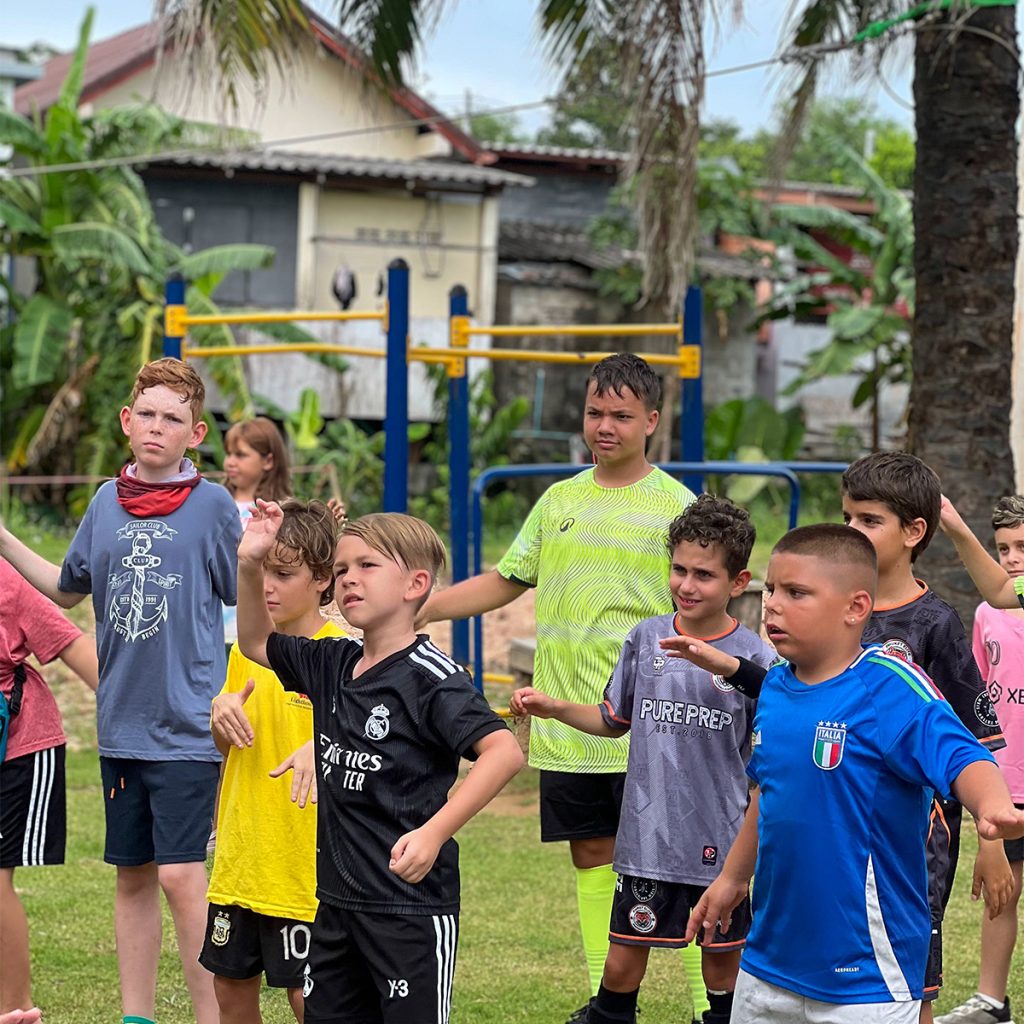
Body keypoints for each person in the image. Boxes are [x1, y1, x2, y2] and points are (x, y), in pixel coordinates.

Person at [416, 352, 697, 1021]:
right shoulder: (559, 500)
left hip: (650, 725)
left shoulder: (679, 507)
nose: (605, 426)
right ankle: (610, 1005)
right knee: (592, 853)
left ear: (651, 421)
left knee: (679, 868)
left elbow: (700, 605)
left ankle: (710, 1007)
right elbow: (507, 579)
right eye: (595, 412)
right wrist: (426, 606)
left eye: (621, 415)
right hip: (569, 728)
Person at [683, 524, 1024, 1024]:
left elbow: (964, 755)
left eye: (797, 592)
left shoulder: (889, 684)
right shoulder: (776, 686)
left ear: (855, 608)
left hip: (867, 977)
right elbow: (768, 793)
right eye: (773, 589)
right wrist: (733, 878)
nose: (773, 604)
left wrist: (994, 807)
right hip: (767, 964)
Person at [0, 357, 243, 1024]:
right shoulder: (106, 503)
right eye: (149, 415)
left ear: (195, 435)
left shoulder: (214, 507)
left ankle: (211, 1017)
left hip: (190, 726)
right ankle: (136, 1017)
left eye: (175, 419)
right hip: (121, 728)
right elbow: (67, 586)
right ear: (126, 422)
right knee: (132, 877)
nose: (158, 428)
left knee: (181, 876)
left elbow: (251, 605)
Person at [236, 505, 524, 1024]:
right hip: (335, 908)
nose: (349, 579)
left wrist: (433, 834)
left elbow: (503, 752)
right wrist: (249, 565)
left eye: (366, 566)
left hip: (409, 912)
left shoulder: (432, 677)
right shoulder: (333, 662)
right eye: (341, 570)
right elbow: (257, 642)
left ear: (416, 584)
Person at [511, 495, 776, 1024]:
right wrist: (553, 707)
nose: (686, 584)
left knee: (723, 969)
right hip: (647, 842)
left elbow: (771, 752)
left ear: (737, 582)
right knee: (622, 965)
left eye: (704, 574)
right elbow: (614, 720)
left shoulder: (757, 659)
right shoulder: (646, 638)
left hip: (720, 847)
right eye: (678, 569)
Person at [200, 500, 344, 1024]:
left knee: (311, 1000)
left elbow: (368, 747)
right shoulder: (245, 650)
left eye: (284, 574)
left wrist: (320, 745)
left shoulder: (344, 654)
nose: (268, 586)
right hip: (243, 861)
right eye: (263, 572)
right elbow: (228, 747)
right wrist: (221, 719)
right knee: (230, 989)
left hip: (305, 869)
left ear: (323, 579)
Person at [935, 496, 1024, 1024]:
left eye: (1022, 547)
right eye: (1004, 548)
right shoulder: (990, 614)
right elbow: (980, 700)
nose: (1012, 558)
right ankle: (992, 1001)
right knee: (1001, 892)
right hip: (1007, 780)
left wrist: (952, 522)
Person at [0, 560, 99, 1014]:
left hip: (18, 746)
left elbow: (75, 649)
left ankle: (15, 1011)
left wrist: (150, 709)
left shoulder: (7, 582)